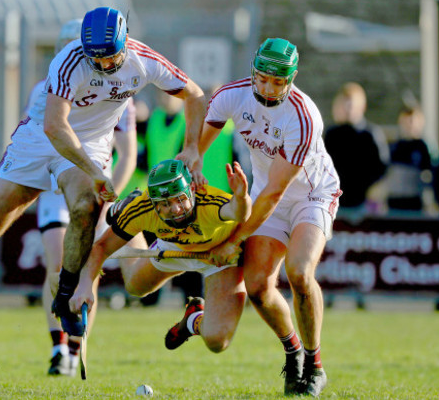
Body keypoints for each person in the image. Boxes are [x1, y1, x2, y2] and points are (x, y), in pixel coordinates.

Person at [0, 6, 206, 350]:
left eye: (110, 57)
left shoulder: (143, 60)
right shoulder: (69, 60)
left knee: (87, 204)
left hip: (90, 143)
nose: (103, 65)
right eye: (96, 59)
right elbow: (55, 127)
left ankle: (64, 296)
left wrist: (192, 147)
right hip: (41, 141)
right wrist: (94, 171)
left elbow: (194, 94)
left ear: (126, 41)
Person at [197, 39, 341, 397]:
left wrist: (234, 239)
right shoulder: (233, 95)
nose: (268, 89)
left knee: (299, 272)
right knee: (259, 286)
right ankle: (292, 350)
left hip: (310, 195)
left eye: (278, 83)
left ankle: (314, 362)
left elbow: (276, 191)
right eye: (262, 79)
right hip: (266, 194)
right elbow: (201, 134)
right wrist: (191, 156)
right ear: (253, 73)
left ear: (290, 80)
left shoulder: (303, 116)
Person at [28, 18, 139, 377]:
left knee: (88, 270)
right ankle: (59, 346)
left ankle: (78, 348)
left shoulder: (120, 90)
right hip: (55, 188)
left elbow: (128, 152)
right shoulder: (45, 89)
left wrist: (109, 192)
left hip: (94, 188)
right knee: (58, 265)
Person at [69, 159, 250, 355]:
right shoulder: (145, 207)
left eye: (179, 199)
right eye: (164, 204)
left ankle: (192, 320)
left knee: (217, 341)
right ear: (153, 203)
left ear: (193, 189)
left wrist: (241, 198)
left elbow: (239, 213)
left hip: (218, 252)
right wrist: (85, 286)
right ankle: (126, 219)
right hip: (175, 245)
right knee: (134, 287)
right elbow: (101, 247)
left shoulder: (211, 201)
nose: (175, 210)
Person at [323, 82, 387, 211]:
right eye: (343, 104)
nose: (347, 109)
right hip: (334, 202)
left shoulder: (370, 135)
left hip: (363, 204)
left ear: (362, 107)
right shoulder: (331, 134)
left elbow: (382, 167)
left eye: (350, 105)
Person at [384, 105, 434, 212]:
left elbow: (429, 176)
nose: (408, 125)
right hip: (394, 200)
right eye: (405, 121)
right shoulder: (393, 147)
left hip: (415, 201)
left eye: (412, 121)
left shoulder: (423, 148)